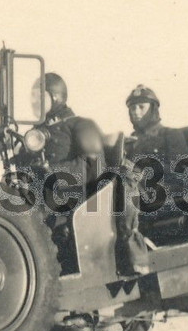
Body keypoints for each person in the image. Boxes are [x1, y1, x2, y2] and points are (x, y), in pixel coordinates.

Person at [29, 73, 151, 277]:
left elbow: (92, 165)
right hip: (45, 200)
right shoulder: (36, 134)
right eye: (33, 98)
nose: (35, 102)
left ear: (56, 97)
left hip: (81, 198)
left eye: (40, 97)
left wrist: (51, 171)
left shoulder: (80, 125)